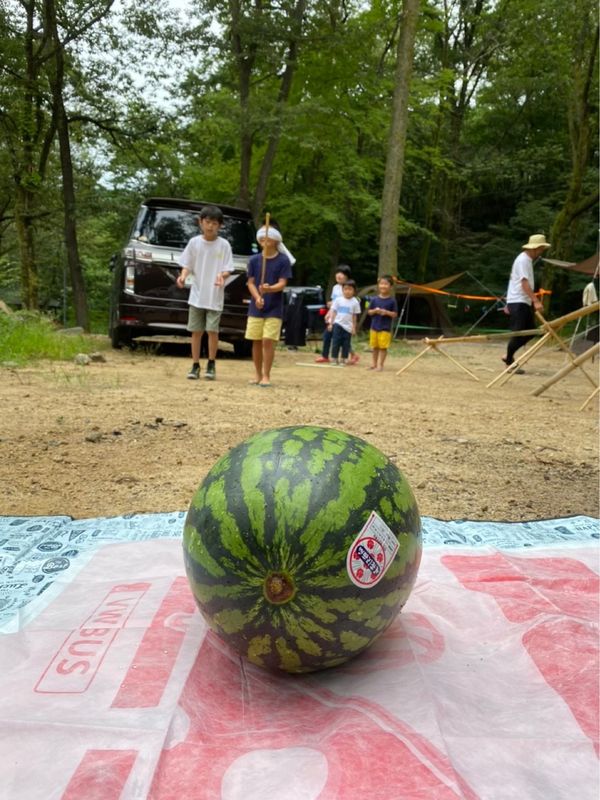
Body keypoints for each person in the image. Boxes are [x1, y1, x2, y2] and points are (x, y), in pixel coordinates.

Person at [176, 205, 233, 380]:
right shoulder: (194, 243)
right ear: (200, 222)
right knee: (196, 331)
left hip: (215, 296)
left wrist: (221, 276)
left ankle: (211, 363)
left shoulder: (224, 245)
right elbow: (187, 265)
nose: (210, 226)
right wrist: (183, 276)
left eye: (214, 223)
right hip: (197, 296)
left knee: (212, 331)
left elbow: (228, 268)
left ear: (220, 225)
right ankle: (195, 365)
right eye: (207, 222)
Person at [245, 224, 293, 386]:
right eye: (262, 236)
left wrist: (269, 289)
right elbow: (250, 282)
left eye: (269, 236)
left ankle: (267, 375)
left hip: (274, 307)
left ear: (275, 239)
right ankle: (257, 374)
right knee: (256, 340)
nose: (265, 239)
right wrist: (258, 296)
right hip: (256, 306)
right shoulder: (254, 260)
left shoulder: (283, 260)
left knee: (267, 339)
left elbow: (282, 283)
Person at [503, 233, 550, 372]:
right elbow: (524, 283)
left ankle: (508, 357)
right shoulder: (523, 260)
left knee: (530, 331)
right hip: (519, 301)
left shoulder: (526, 260)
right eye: (541, 249)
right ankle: (508, 361)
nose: (541, 252)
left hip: (521, 300)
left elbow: (514, 281)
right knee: (519, 332)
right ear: (534, 248)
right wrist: (536, 301)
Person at [315, 265, 359, 364]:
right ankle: (325, 356)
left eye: (342, 274)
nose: (339, 275)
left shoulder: (349, 288)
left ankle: (351, 354)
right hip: (334, 316)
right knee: (328, 336)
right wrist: (329, 312)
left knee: (340, 338)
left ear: (347, 276)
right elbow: (334, 303)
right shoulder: (335, 287)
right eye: (337, 273)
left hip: (342, 317)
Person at [366, 275, 398, 371]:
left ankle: (381, 365)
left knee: (383, 348)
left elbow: (395, 314)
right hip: (374, 327)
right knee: (374, 347)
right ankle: (374, 364)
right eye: (381, 284)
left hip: (385, 328)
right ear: (378, 285)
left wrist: (386, 312)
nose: (383, 286)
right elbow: (369, 312)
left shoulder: (392, 300)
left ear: (390, 287)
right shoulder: (374, 299)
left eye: (385, 284)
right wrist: (375, 311)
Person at [329, 279, 361, 365]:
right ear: (342, 290)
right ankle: (334, 358)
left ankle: (344, 358)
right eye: (345, 289)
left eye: (350, 289)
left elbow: (355, 316)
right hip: (337, 324)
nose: (347, 291)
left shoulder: (355, 302)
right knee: (336, 342)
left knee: (346, 344)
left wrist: (354, 327)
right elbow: (334, 312)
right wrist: (331, 323)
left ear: (354, 291)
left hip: (348, 327)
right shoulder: (338, 300)